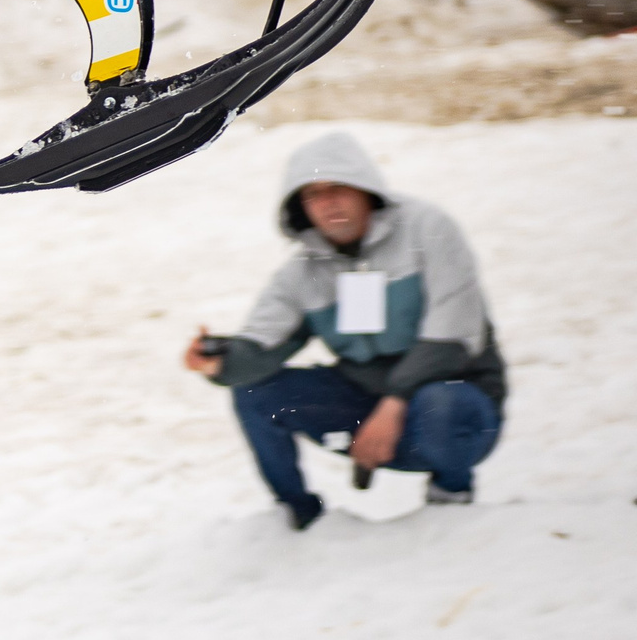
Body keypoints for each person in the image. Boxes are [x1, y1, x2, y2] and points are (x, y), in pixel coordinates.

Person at [184, 132, 505, 529]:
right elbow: (261, 345)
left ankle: (451, 495)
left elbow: (454, 336)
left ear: (366, 189)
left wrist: (393, 405)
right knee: (254, 392)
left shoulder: (428, 229)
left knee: (442, 403)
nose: (328, 202)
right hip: (363, 411)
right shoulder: (302, 272)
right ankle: (297, 516)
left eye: (339, 187)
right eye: (313, 194)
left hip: (456, 409)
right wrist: (219, 363)